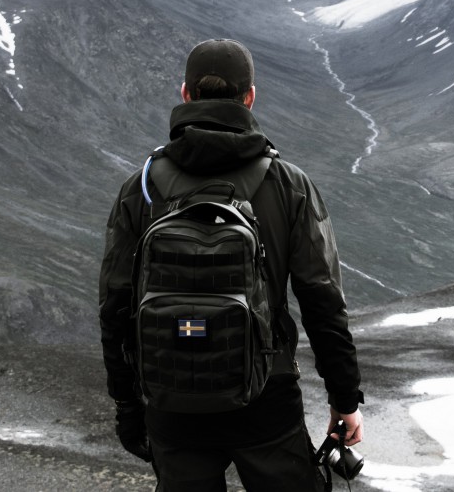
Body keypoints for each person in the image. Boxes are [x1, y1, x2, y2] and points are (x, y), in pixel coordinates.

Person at [99, 38, 364, 491]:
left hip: (170, 399)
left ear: (185, 94)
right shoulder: (288, 184)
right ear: (250, 96)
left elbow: (115, 306)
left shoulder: (139, 188)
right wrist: (345, 399)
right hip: (266, 397)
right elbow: (322, 300)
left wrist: (128, 405)